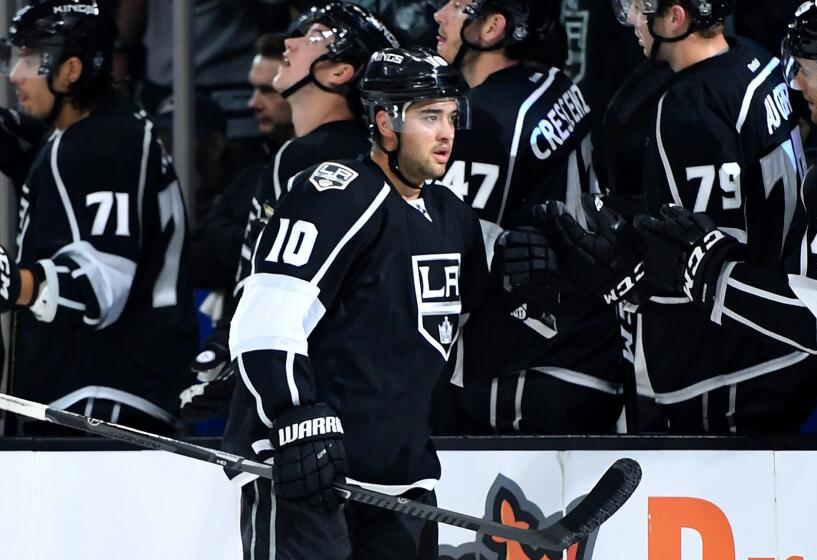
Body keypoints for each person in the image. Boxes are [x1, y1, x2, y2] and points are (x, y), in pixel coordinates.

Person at [222, 45, 557, 559]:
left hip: (402, 486)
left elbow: (461, 357)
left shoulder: (453, 217)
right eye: (429, 116)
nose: (447, 133)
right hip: (309, 476)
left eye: (451, 116)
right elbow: (264, 319)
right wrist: (296, 418)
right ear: (385, 121)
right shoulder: (336, 193)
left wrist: (525, 298)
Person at [538, 0, 817, 434]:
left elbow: (706, 255)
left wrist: (626, 268)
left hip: (725, 370)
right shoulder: (755, 57)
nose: (633, 21)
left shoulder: (688, 107)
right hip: (783, 343)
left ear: (675, 17)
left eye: (639, 9)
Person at [179, 3, 400, 421]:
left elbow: (277, 287)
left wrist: (236, 354)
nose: (292, 42)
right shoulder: (354, 152)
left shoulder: (307, 158)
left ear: (340, 72)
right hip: (360, 390)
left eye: (314, 36)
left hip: (312, 397)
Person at [0, 0, 196, 436]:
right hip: (96, 389)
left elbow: (103, 282)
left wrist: (16, 283)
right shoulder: (89, 134)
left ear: (71, 70)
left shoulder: (104, 143)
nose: (15, 74)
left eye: (30, 59)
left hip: (104, 396)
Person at [431, 0, 624, 434]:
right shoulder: (558, 84)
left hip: (527, 372)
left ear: (493, 27)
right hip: (589, 350)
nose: (439, 15)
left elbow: (448, 252)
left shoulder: (481, 119)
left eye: (457, 6)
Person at [632, 0, 817, 357]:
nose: (797, 82)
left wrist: (711, 277)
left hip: (759, 367)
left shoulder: (694, 102)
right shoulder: (751, 57)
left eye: (806, 68)